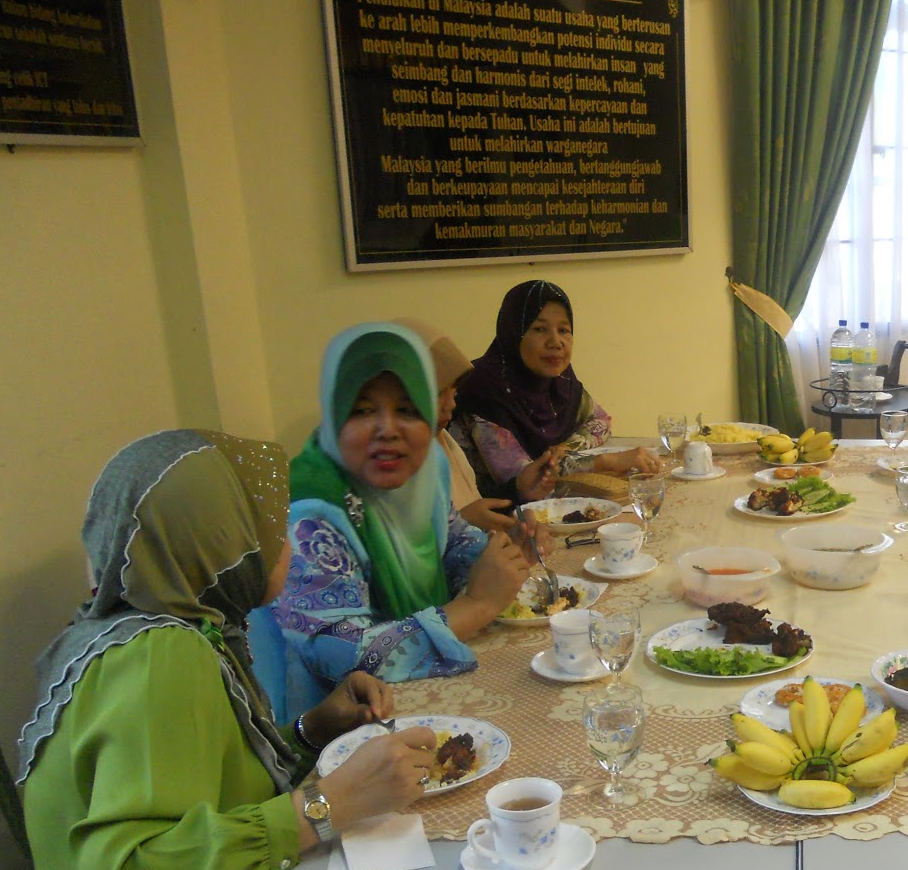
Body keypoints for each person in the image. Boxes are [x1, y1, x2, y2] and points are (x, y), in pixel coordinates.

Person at [17, 429, 435, 870]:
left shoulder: (166, 627)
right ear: (215, 539)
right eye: (265, 527)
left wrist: (312, 729)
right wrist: (322, 809)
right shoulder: (160, 659)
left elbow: (204, 786)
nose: (287, 545)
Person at [267, 322, 531, 723]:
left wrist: (504, 554)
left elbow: (454, 543)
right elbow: (343, 655)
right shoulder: (310, 513)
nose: (387, 430)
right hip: (339, 727)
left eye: (408, 410)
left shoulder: (427, 467)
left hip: (426, 697)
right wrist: (477, 605)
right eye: (361, 410)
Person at [451, 279, 660, 501]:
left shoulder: (559, 381)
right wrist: (606, 462)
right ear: (513, 332)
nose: (556, 342)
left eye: (564, 330)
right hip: (487, 521)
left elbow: (601, 420)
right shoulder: (484, 389)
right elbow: (528, 479)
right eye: (540, 329)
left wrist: (564, 449)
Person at [392, 315, 556, 556]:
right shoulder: (387, 465)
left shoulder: (443, 442)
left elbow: (472, 503)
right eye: (438, 393)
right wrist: (461, 524)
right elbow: (399, 557)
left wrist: (516, 505)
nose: (451, 405)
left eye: (454, 391)